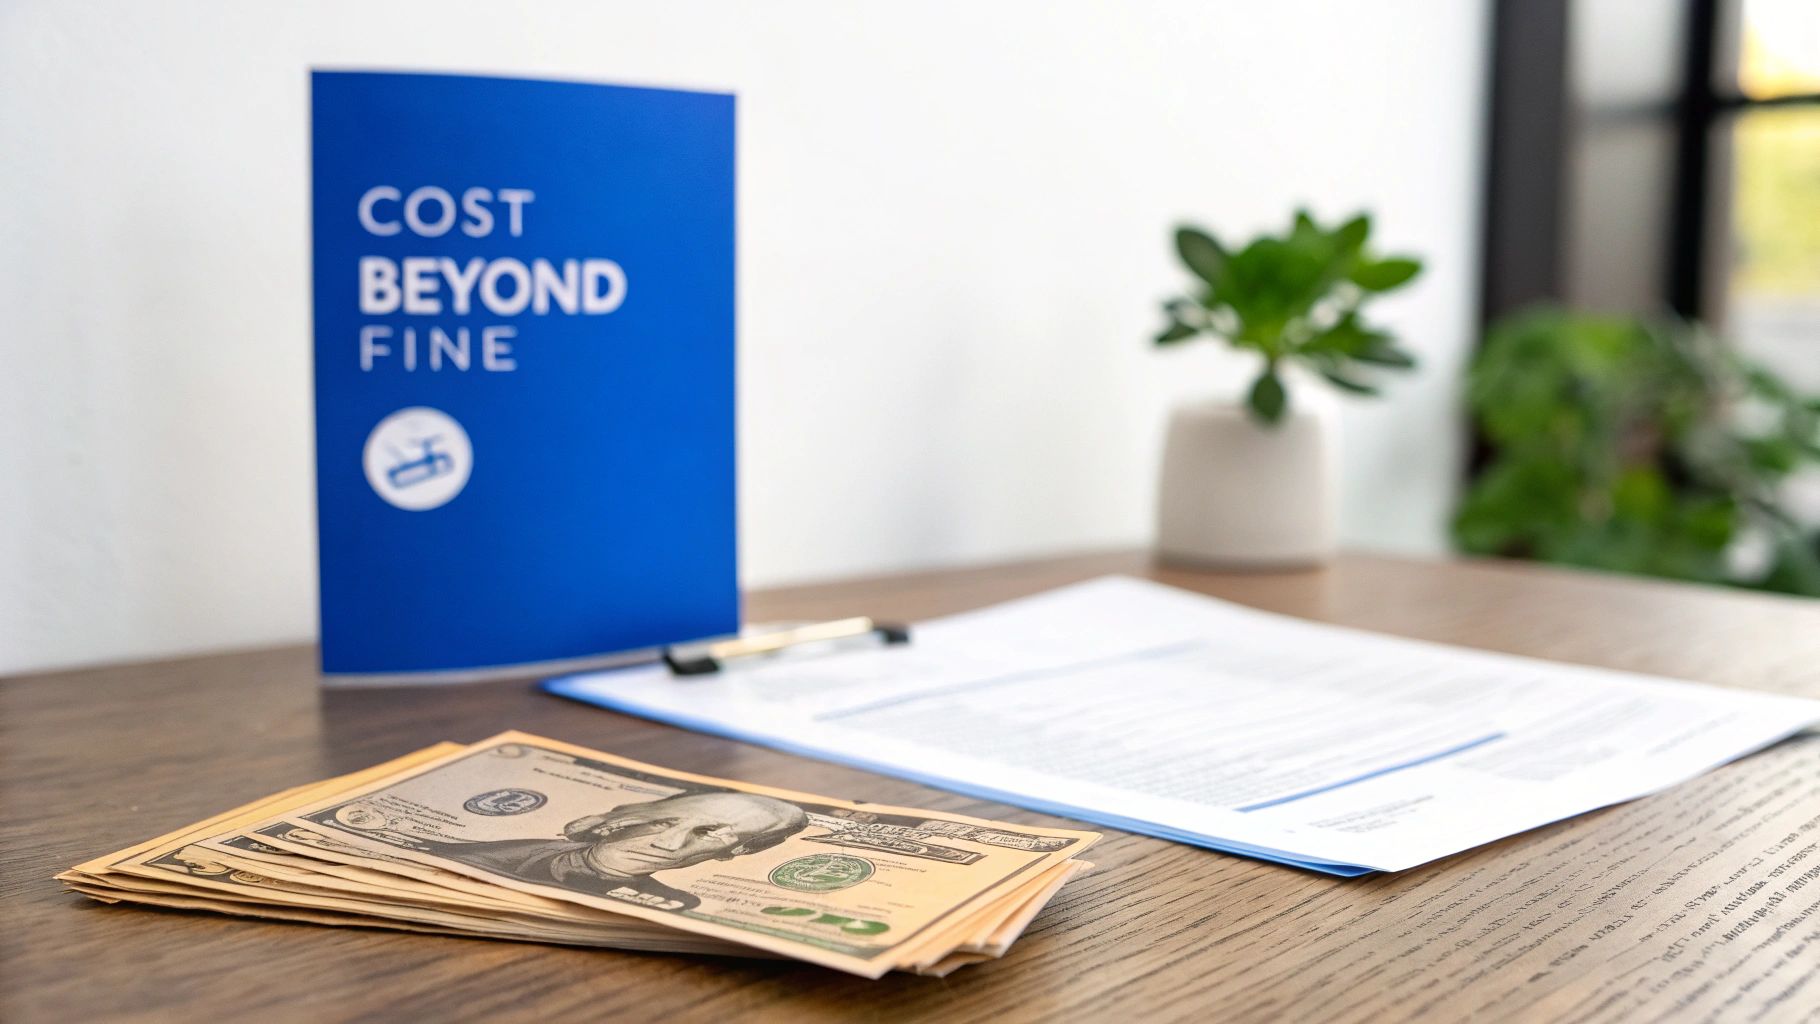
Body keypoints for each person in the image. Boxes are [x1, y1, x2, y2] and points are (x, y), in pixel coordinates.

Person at [430, 791, 808, 911]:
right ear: (626, 818)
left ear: (735, 852)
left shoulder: (672, 906)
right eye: (663, 823)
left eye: (710, 834)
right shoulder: (444, 848)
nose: (669, 843)